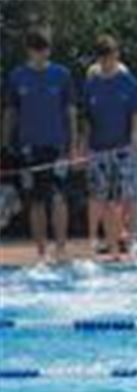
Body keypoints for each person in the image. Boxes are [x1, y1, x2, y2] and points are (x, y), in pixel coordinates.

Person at [2, 29, 78, 263]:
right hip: (28, 147)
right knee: (35, 200)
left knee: (58, 198)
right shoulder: (17, 76)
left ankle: (61, 248)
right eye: (38, 50)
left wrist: (73, 143)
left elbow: (71, 111)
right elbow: (11, 112)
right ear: (30, 51)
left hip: (56, 146)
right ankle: (41, 251)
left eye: (46, 50)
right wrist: (5, 141)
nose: (42, 55)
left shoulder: (62, 75)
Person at [81, 34, 137, 262]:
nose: (107, 63)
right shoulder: (92, 82)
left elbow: (135, 113)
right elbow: (87, 118)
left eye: (111, 57)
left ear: (117, 55)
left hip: (122, 147)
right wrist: (83, 146)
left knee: (117, 200)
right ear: (99, 59)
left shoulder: (128, 81)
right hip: (98, 147)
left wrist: (135, 136)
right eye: (103, 59)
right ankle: (93, 241)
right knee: (97, 197)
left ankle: (117, 247)